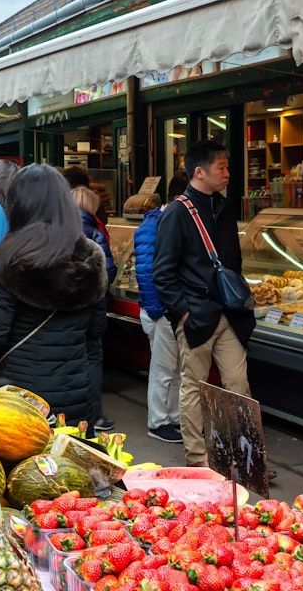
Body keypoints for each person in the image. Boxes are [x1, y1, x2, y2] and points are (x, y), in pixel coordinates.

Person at [0, 165, 108, 424]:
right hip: (76, 395)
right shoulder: (91, 257)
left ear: (19, 206)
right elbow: (97, 329)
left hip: (21, 398)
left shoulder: (10, 257)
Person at [152, 141, 255, 467]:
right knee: (193, 387)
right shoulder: (177, 213)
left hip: (229, 314)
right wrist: (183, 311)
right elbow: (162, 272)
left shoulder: (224, 208)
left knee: (238, 386)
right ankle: (198, 460)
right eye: (221, 167)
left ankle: (245, 457)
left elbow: (233, 262)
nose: (227, 173)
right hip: (195, 315)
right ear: (199, 172)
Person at [132, 173, 189, 444]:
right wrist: (160, 310)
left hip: (173, 308)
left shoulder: (166, 219)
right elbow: (146, 270)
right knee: (163, 369)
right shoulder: (156, 224)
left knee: (176, 369)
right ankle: (158, 421)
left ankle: (174, 417)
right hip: (163, 309)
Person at [73, 185, 116, 432]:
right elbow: (107, 269)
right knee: (93, 357)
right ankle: (95, 414)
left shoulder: (63, 228)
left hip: (71, 306)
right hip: (93, 304)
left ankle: (80, 415)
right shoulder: (96, 229)